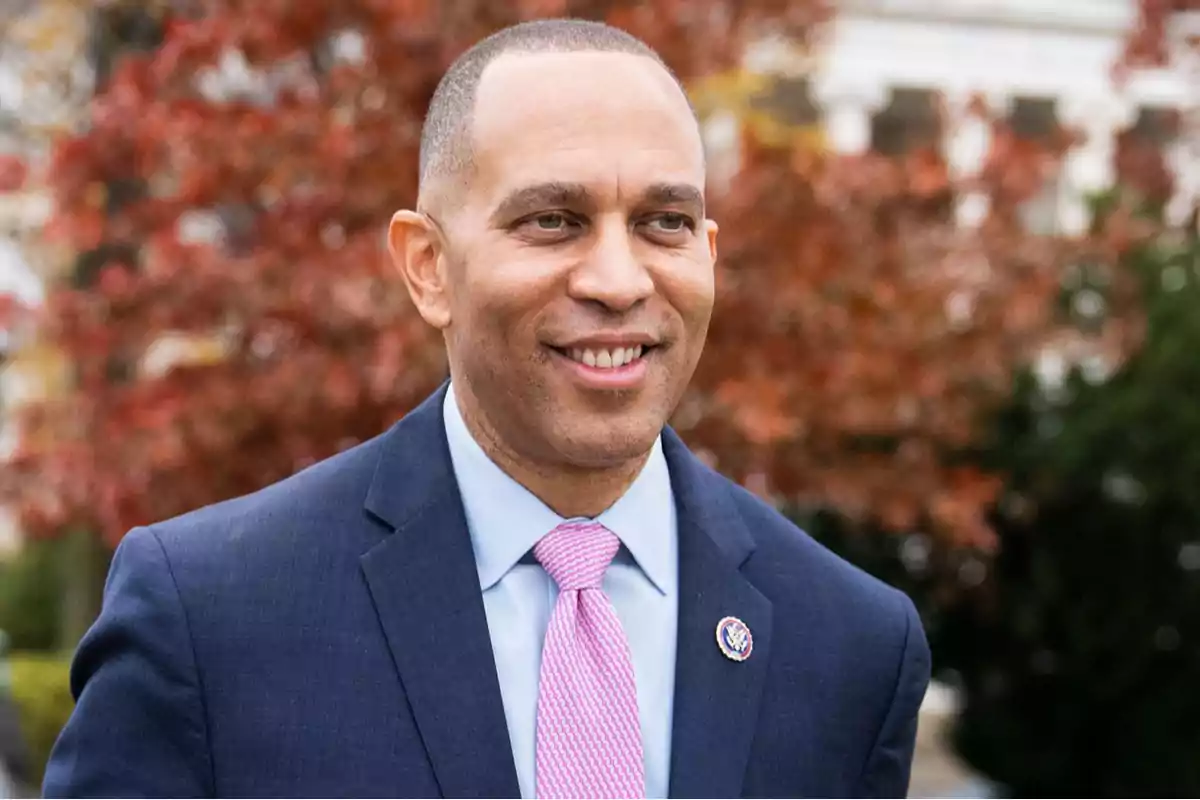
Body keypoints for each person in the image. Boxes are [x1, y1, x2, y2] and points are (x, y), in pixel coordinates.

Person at [43, 18, 930, 799]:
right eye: (553, 220)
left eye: (663, 221)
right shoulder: (209, 618)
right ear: (428, 265)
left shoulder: (850, 645)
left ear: (708, 254)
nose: (619, 282)